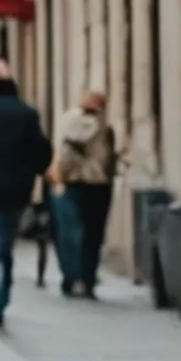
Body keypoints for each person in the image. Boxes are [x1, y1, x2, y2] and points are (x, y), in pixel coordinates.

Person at [0, 60, 50, 329]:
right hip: (16, 192)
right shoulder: (25, 113)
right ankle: (1, 298)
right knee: (5, 248)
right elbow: (41, 155)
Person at [49, 89, 120, 299]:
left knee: (68, 232)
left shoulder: (66, 122)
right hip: (98, 184)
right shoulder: (104, 127)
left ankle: (71, 277)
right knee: (92, 234)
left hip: (70, 183)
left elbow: (60, 153)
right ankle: (87, 278)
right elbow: (108, 157)